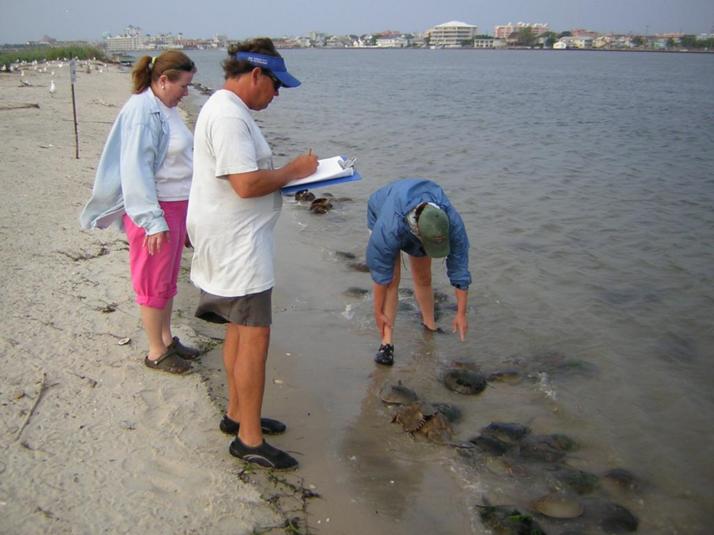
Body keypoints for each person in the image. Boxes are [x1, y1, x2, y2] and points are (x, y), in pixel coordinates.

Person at [187, 38, 318, 470]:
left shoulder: (227, 110)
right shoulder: (227, 115)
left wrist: (283, 178)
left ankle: (237, 414)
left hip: (229, 240)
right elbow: (245, 184)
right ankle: (249, 439)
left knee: (237, 331)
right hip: (238, 247)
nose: (277, 94)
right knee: (254, 337)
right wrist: (294, 172)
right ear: (256, 74)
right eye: (276, 84)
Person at [80, 50, 200, 374]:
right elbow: (136, 169)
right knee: (151, 282)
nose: (187, 92)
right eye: (184, 85)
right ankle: (156, 352)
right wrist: (152, 221)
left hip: (176, 205)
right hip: (154, 209)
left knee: (167, 281)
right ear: (163, 80)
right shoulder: (142, 111)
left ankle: (167, 338)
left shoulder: (166, 107)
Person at [366, 178, 472, 366]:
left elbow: (460, 267)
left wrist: (461, 313)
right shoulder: (389, 228)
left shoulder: (450, 223)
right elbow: (380, 274)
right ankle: (386, 342)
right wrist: (377, 312)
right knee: (392, 282)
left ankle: (430, 325)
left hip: (420, 216)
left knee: (423, 277)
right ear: (418, 233)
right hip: (383, 210)